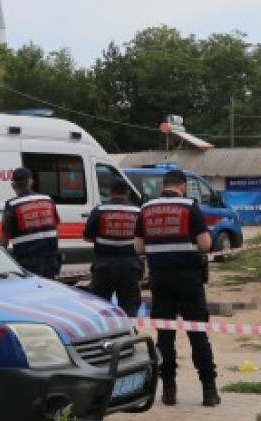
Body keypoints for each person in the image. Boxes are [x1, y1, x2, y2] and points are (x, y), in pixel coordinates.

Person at [134, 169, 219, 407]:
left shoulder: (146, 209)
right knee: (197, 334)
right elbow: (205, 244)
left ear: (164, 185)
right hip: (189, 279)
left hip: (160, 280)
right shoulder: (190, 207)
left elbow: (138, 247)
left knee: (165, 335)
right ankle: (209, 391)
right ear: (182, 186)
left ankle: (169, 391)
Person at [84, 177, 142, 316]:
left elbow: (87, 236)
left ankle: (105, 336)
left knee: (100, 309)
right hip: (130, 267)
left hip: (104, 268)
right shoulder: (138, 212)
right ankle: (128, 336)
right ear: (127, 193)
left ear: (110, 192)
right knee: (129, 311)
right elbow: (142, 239)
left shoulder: (99, 210)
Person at [0, 167, 61, 279]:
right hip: (51, 263)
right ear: (31, 182)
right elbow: (55, 226)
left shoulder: (12, 206)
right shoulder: (48, 200)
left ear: (13, 186)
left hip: (28, 265)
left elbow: (4, 240)